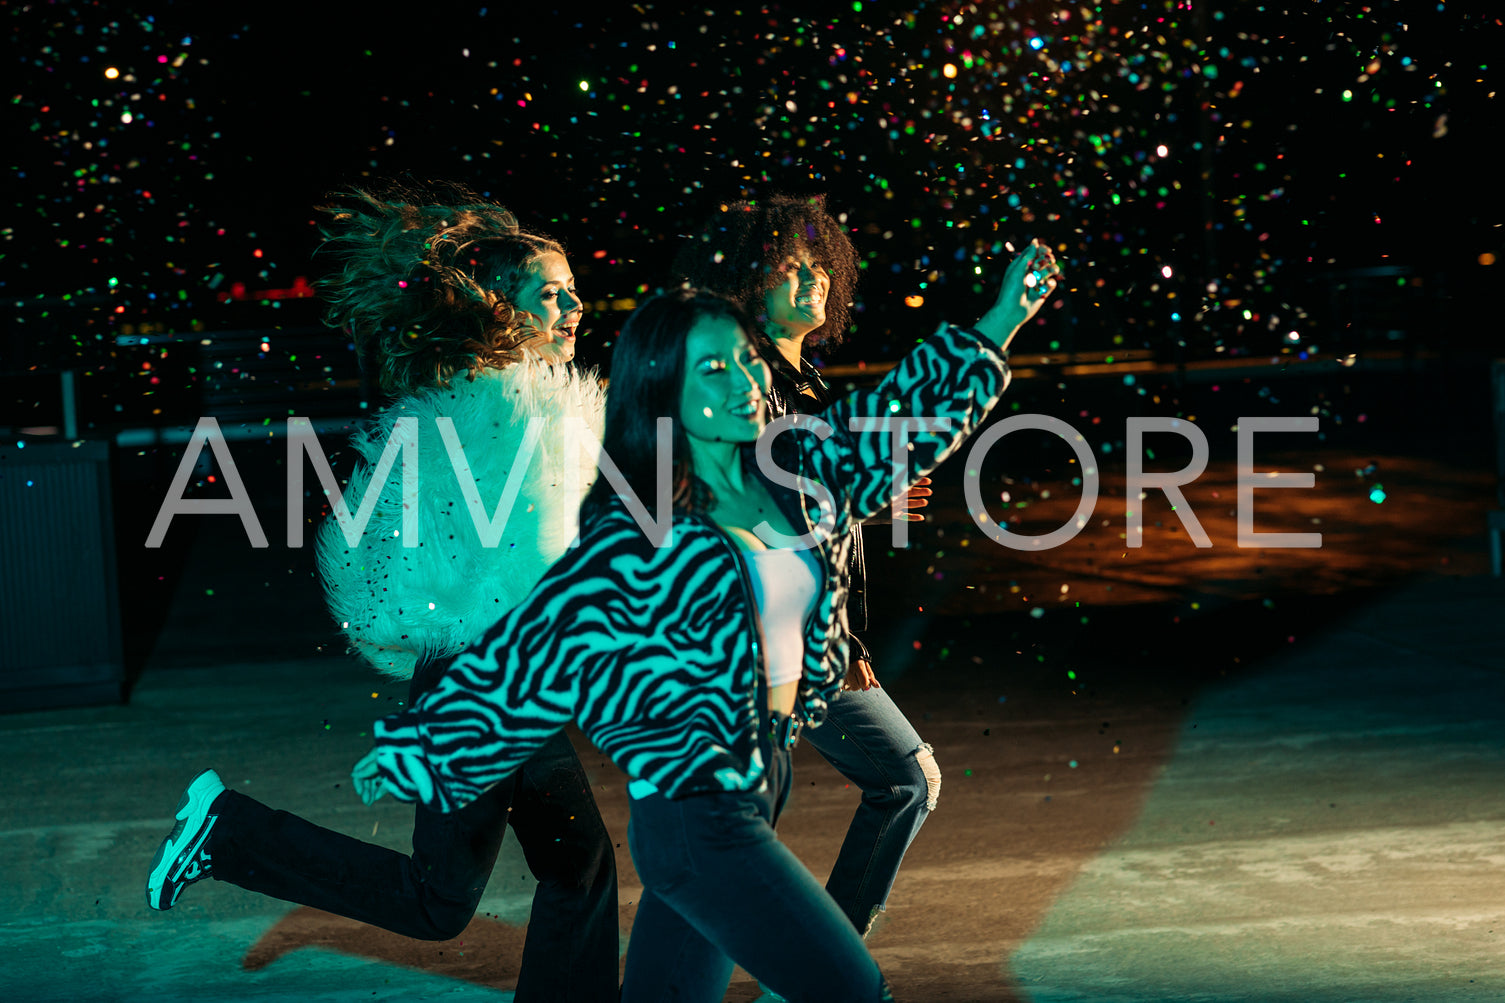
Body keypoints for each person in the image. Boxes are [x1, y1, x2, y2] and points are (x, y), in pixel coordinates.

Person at [351, 238, 1061, 1001]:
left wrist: (999, 319)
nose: (749, 379)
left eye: (746, 362)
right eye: (713, 369)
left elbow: (897, 423)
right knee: (852, 989)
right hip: (700, 819)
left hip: (748, 796)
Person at [144, 185, 620, 1002]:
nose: (576, 304)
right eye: (552, 292)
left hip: (492, 673)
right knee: (439, 902)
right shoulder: (495, 404)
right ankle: (230, 830)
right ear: (501, 307)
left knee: (579, 865)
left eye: (574, 288)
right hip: (482, 682)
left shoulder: (513, 394)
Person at [673, 195, 942, 938]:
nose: (811, 279)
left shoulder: (800, 386)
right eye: (787, 266)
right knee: (899, 780)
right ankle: (825, 960)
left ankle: (819, 959)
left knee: (728, 835)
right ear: (744, 283)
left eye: (819, 264)